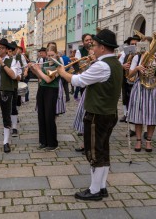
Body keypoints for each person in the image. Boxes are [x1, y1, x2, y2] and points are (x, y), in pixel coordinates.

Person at [57, 29, 122, 201]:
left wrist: (62, 72)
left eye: (94, 45)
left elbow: (79, 81)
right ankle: (101, 187)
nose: (92, 49)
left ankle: (94, 191)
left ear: (102, 47)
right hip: (109, 112)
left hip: (97, 114)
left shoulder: (102, 65)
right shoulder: (116, 63)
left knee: (94, 152)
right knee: (103, 150)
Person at [127, 34, 156, 152]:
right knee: (138, 115)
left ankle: (148, 141)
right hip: (140, 87)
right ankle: (138, 140)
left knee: (152, 115)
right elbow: (129, 76)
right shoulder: (136, 58)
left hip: (153, 88)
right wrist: (137, 69)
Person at [30, 44, 60, 151]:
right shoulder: (46, 64)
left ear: (56, 55)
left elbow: (48, 79)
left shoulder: (58, 66)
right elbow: (40, 77)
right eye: (48, 55)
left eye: (52, 55)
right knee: (41, 116)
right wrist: (33, 69)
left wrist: (38, 69)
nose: (50, 57)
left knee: (49, 116)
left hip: (51, 90)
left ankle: (52, 143)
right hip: (42, 89)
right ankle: (43, 141)